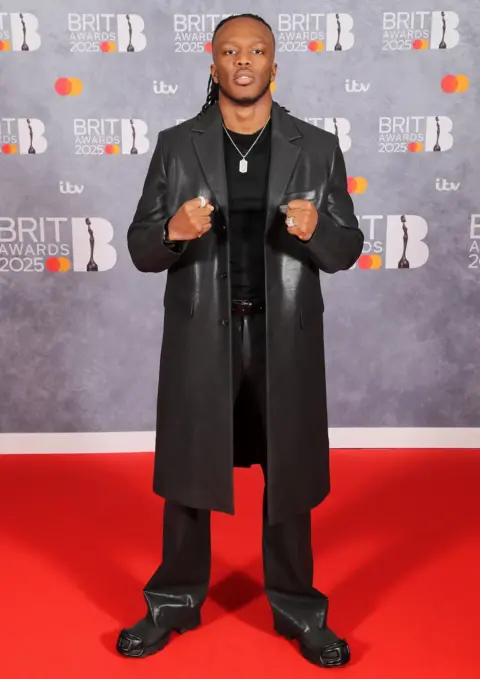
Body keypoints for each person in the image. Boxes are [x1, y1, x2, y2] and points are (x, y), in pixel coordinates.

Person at [117, 13, 364, 669]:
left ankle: (300, 610)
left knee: (289, 474)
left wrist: (317, 229)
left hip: (284, 337)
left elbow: (347, 250)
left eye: (257, 50)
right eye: (231, 51)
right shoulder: (177, 146)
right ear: (214, 63)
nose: (244, 61)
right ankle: (172, 601)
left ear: (275, 64)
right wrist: (173, 227)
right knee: (189, 478)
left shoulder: (317, 146)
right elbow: (142, 248)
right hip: (203, 337)